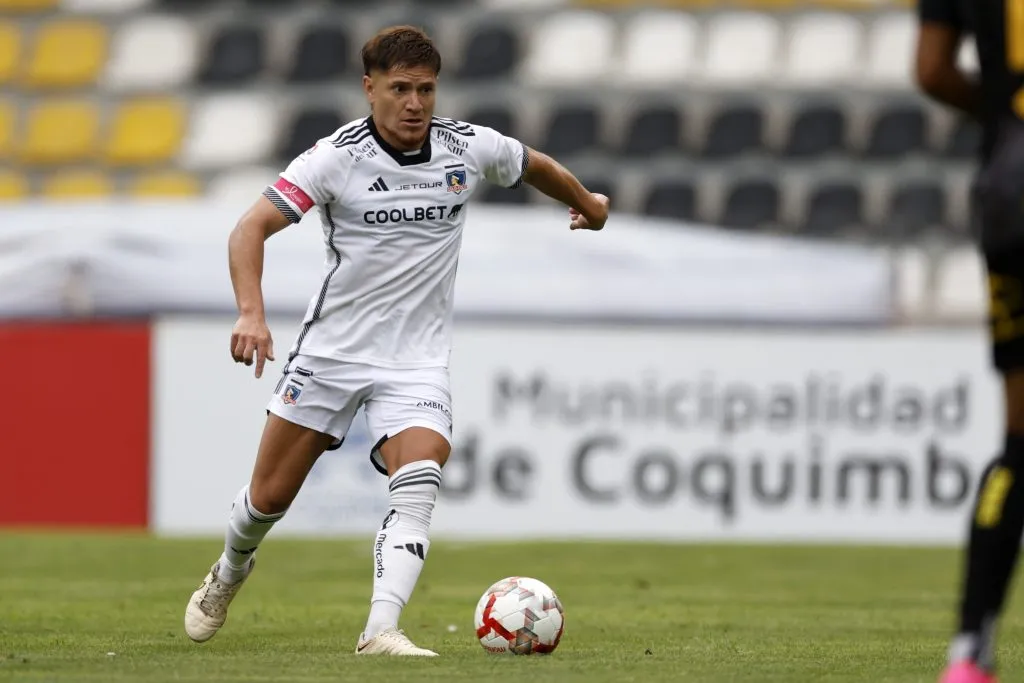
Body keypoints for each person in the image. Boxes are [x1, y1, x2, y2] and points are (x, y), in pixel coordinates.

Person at [182, 25, 609, 656]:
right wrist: (251, 313)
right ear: (370, 88)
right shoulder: (336, 158)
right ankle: (230, 569)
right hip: (331, 355)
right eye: (401, 89)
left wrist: (587, 203)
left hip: (416, 361)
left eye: (427, 90)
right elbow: (249, 228)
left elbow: (532, 165)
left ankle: (380, 629)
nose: (415, 103)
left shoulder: (466, 148)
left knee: (421, 474)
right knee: (266, 501)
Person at [917, 1, 1024, 681]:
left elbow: (931, 69)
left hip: (1011, 188)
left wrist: (1003, 116)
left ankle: (968, 654)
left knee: (1020, 440)